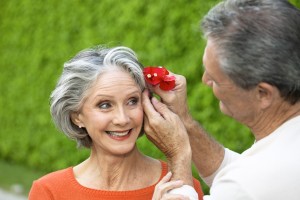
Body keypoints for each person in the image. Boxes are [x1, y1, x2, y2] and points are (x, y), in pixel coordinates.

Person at [142, 0, 300, 199]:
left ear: (263, 94)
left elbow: (242, 184)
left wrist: (178, 153)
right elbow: (242, 172)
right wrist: (184, 121)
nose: (205, 80)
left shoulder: (247, 184)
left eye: (215, 79)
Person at [28, 46, 203, 200]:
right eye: (105, 105)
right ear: (77, 117)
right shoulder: (49, 192)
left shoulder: (184, 185)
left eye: (132, 101)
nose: (123, 119)